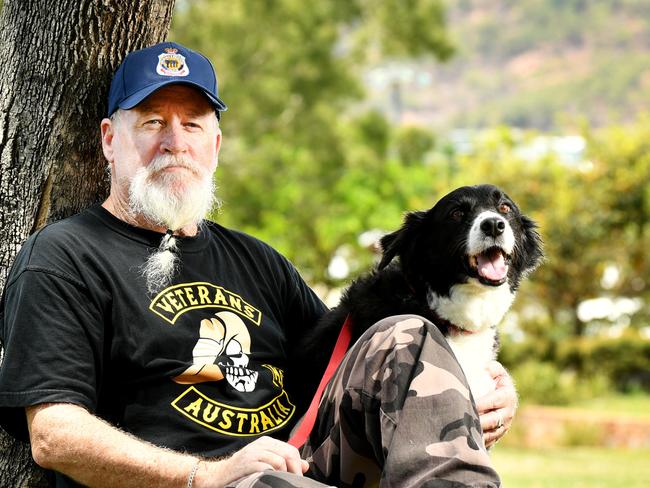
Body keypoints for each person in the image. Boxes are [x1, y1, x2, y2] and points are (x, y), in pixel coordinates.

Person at [0, 42, 516, 487]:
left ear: (215, 146)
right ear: (110, 139)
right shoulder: (64, 258)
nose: (174, 142)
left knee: (405, 333)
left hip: (305, 467)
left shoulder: (257, 261)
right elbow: (55, 436)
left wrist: (479, 387)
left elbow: (355, 361)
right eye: (153, 122)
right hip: (200, 482)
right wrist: (207, 475)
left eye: (193, 125)